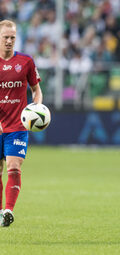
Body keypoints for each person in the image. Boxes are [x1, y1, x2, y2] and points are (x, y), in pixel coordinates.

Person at [0, 20, 43, 227]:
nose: (9, 41)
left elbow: (36, 90)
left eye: (12, 38)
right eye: (5, 37)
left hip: (18, 127)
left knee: (13, 166)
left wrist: (37, 107)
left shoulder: (26, 62)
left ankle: (8, 210)